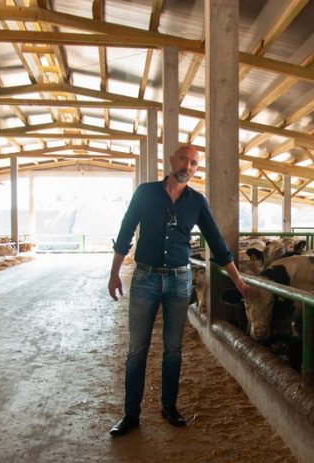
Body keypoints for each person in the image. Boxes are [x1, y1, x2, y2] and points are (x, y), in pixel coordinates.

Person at [107, 144, 251, 436]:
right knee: (137, 349)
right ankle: (131, 414)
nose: (188, 166)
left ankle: (169, 406)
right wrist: (114, 274)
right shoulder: (145, 193)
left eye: (194, 163)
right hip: (146, 277)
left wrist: (238, 280)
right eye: (183, 159)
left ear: (196, 169)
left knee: (173, 349)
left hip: (179, 280)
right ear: (172, 160)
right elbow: (125, 231)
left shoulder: (197, 201)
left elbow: (217, 243)